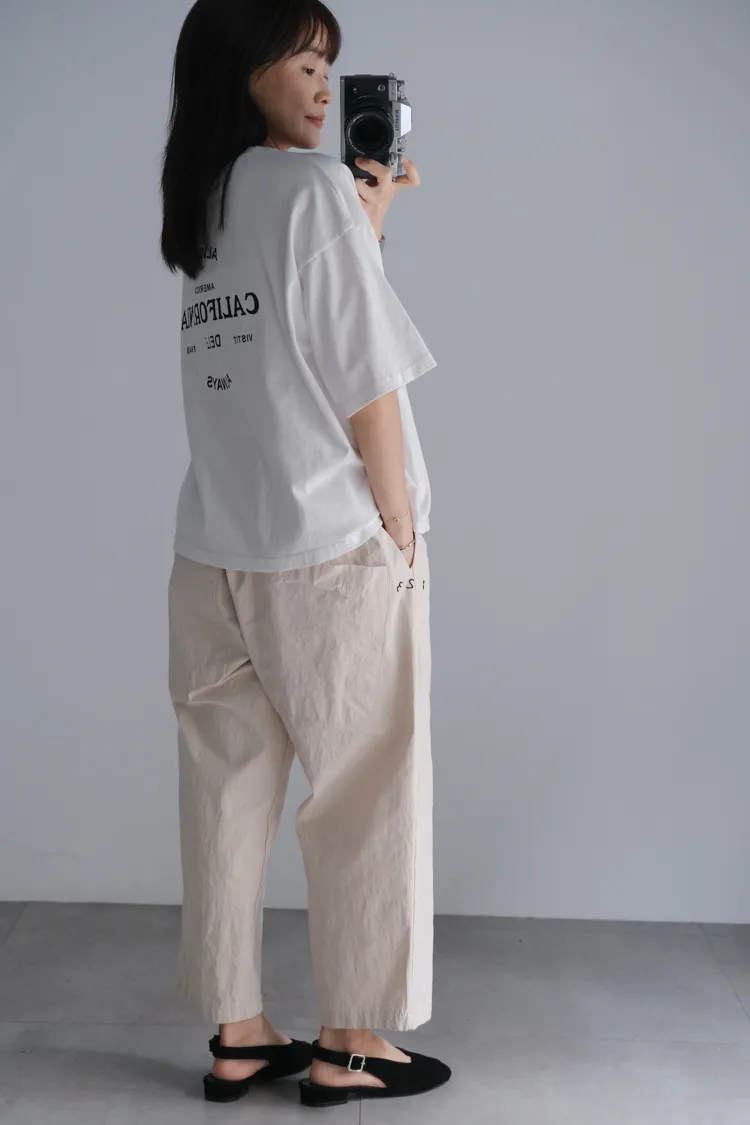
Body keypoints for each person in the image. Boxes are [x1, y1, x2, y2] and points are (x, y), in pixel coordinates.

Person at [160, 0, 450, 1107]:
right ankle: (349, 1044)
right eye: (301, 59)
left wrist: (365, 225)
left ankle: (238, 1032)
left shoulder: (205, 206)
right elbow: (360, 376)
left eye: (330, 64)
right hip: (329, 546)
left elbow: (280, 346)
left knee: (225, 797)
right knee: (368, 789)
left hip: (214, 550)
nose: (325, 84)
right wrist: (401, 529)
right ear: (241, 68)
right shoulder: (312, 191)